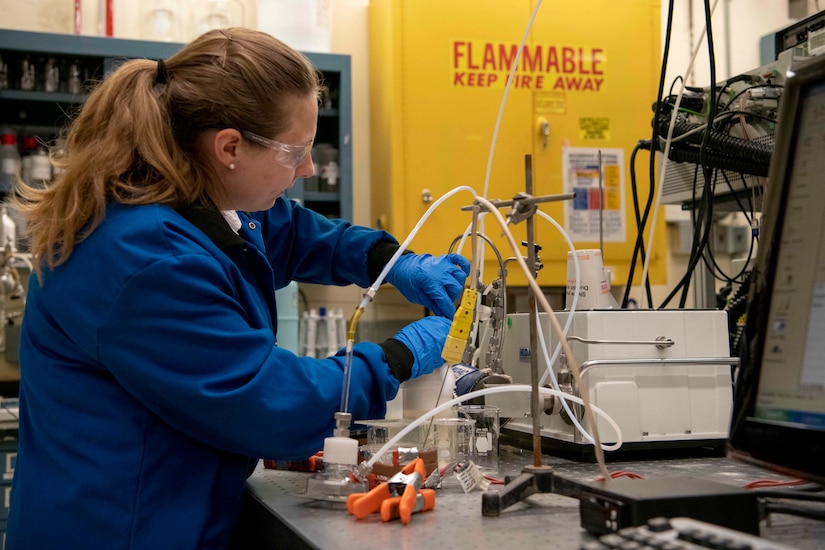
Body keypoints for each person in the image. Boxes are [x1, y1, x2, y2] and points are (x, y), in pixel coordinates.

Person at [5, 28, 470, 549]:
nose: (308, 169)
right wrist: (399, 357)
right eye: (296, 153)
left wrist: (392, 261)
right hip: (121, 530)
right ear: (229, 147)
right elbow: (273, 406)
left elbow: (284, 229)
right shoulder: (146, 261)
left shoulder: (176, 198)